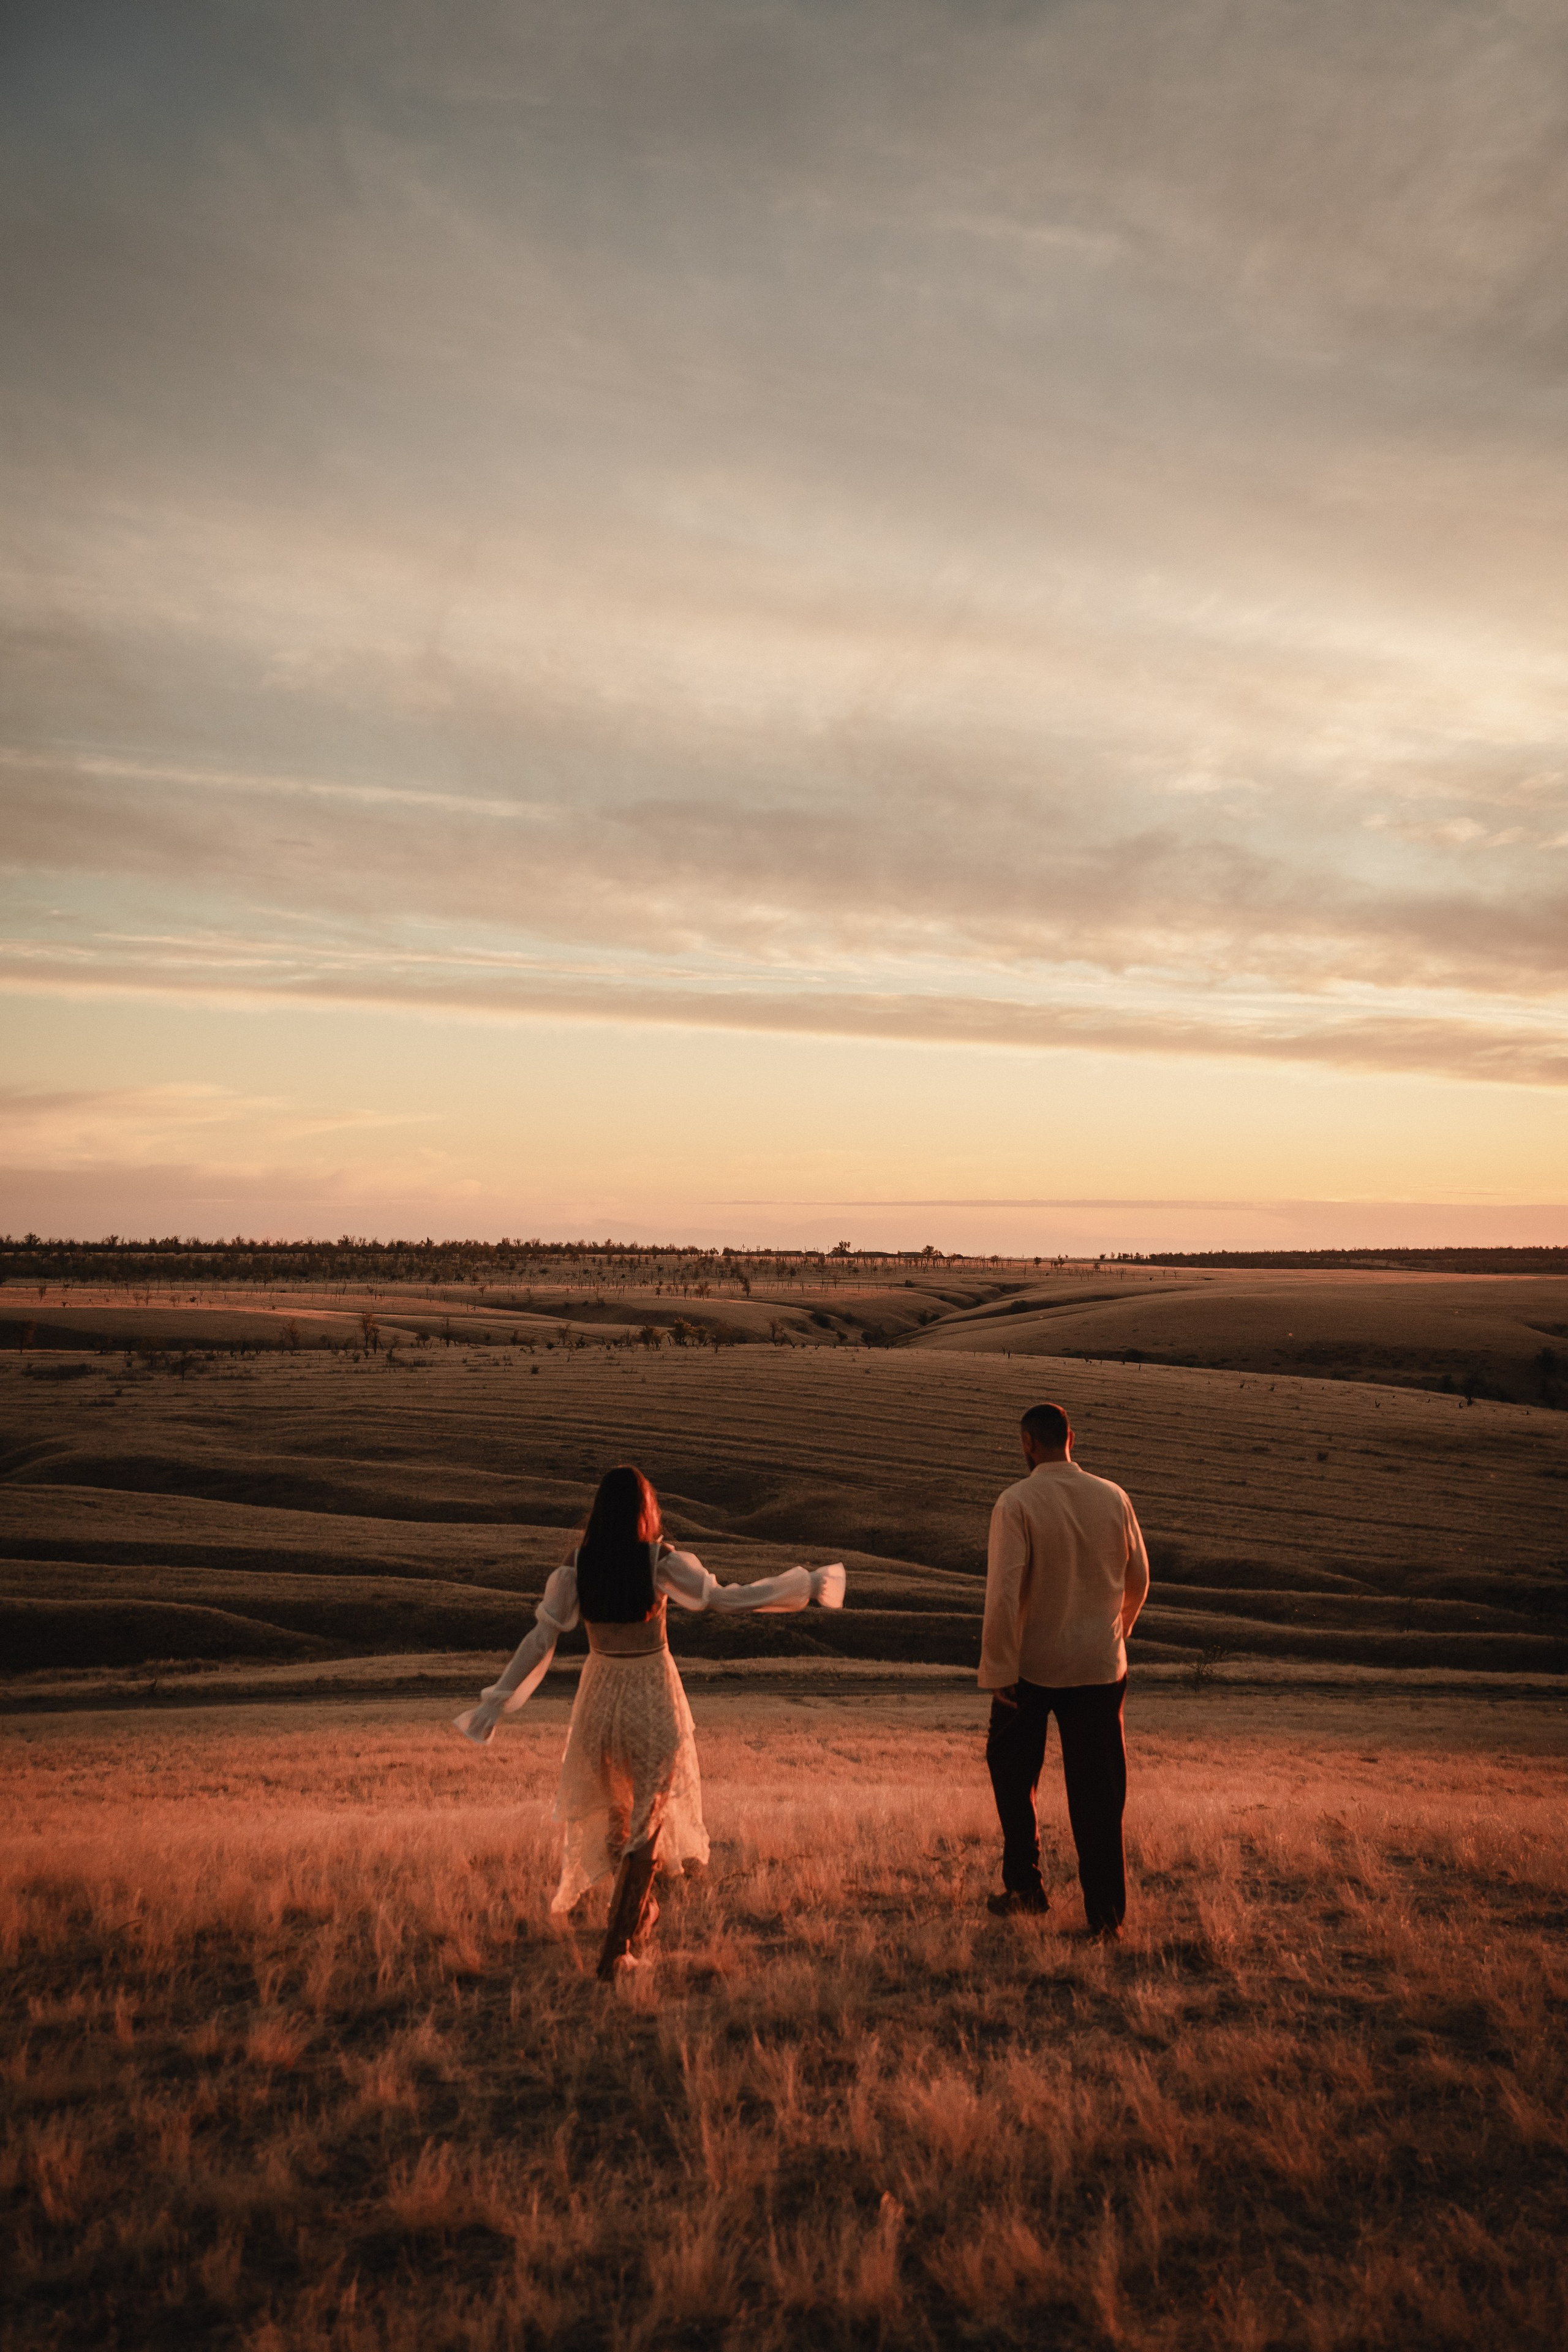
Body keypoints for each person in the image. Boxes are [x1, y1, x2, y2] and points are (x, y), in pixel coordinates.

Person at [456, 1464, 846, 1978]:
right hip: (652, 1697)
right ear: (647, 1511)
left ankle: (636, 1921)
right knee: (648, 1820)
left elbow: (541, 1639)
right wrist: (807, 1584)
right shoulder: (658, 1561)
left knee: (620, 1820)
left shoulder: (577, 1567)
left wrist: (496, 1702)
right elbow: (723, 1598)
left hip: (599, 1700)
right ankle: (617, 1952)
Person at [979, 1401, 1149, 1937]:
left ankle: (1026, 1888)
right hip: (1101, 1666)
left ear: (1028, 1443)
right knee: (1100, 1793)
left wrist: (1000, 1666)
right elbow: (1139, 1576)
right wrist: (1115, 1632)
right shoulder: (1113, 1495)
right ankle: (1105, 1918)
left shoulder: (1017, 1502)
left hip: (1032, 1665)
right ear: (1071, 1438)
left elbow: (1004, 1593)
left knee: (1012, 1774)